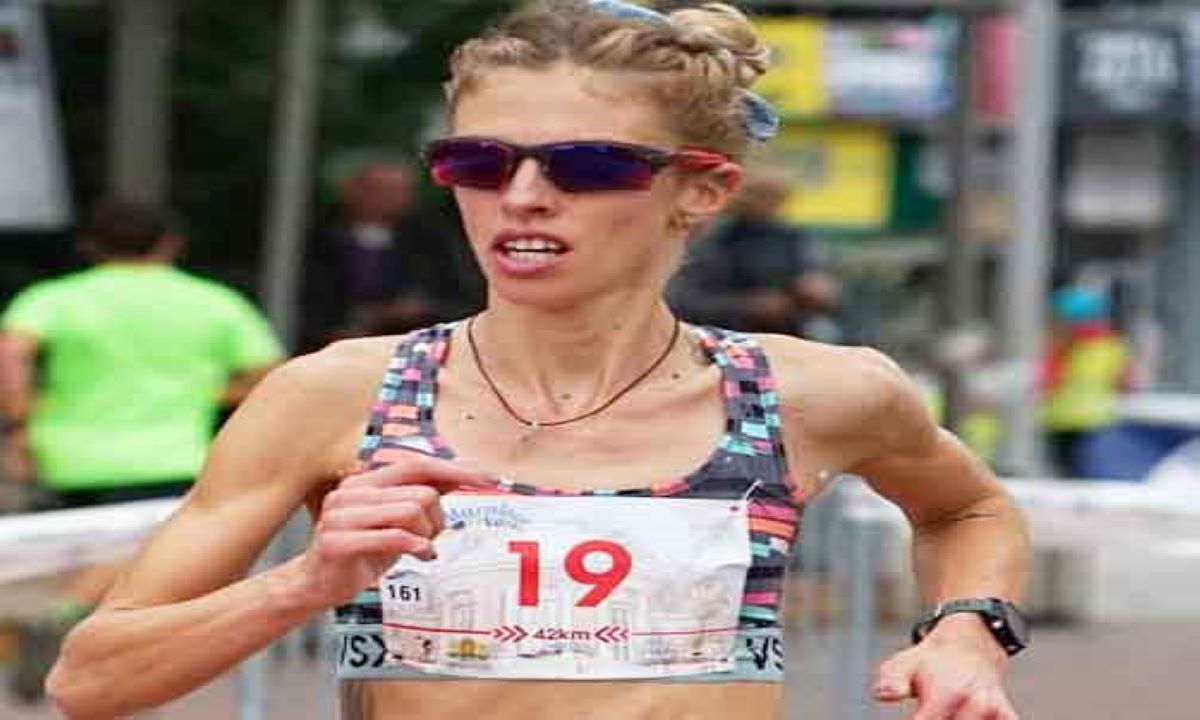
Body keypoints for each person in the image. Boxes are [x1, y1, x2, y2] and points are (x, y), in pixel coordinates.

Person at [47, 3, 1030, 719]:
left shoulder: (811, 393)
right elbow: (90, 680)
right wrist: (304, 583)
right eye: (478, 162)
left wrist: (969, 630)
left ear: (702, 190)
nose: (521, 195)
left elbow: (969, 510)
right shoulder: (339, 393)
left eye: (586, 165)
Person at [0, 199, 284, 700]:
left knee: (82, 556)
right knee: (137, 566)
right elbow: (270, 372)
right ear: (171, 243)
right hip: (168, 454)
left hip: (67, 453)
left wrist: (19, 425)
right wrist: (211, 393)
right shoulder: (214, 301)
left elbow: (13, 352)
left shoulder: (54, 297)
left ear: (90, 244)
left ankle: (84, 652)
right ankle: (68, 621)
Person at [299, 162, 480, 352]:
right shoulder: (320, 239)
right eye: (376, 190)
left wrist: (419, 308)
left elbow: (461, 299)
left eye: (398, 191)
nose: (388, 198)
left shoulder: (430, 241)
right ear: (350, 192)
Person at [669, 164, 840, 339]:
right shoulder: (714, 240)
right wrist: (749, 307)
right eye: (761, 194)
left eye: (777, 196)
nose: (768, 202)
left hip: (790, 331)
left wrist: (816, 287)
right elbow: (688, 302)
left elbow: (818, 279)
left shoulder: (796, 239)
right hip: (728, 334)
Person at [1041, 285, 1130, 477]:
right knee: (1089, 476)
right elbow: (1124, 384)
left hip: (1060, 420)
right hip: (1098, 421)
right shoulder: (1112, 345)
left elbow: (1048, 382)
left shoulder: (1060, 347)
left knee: (1066, 477)